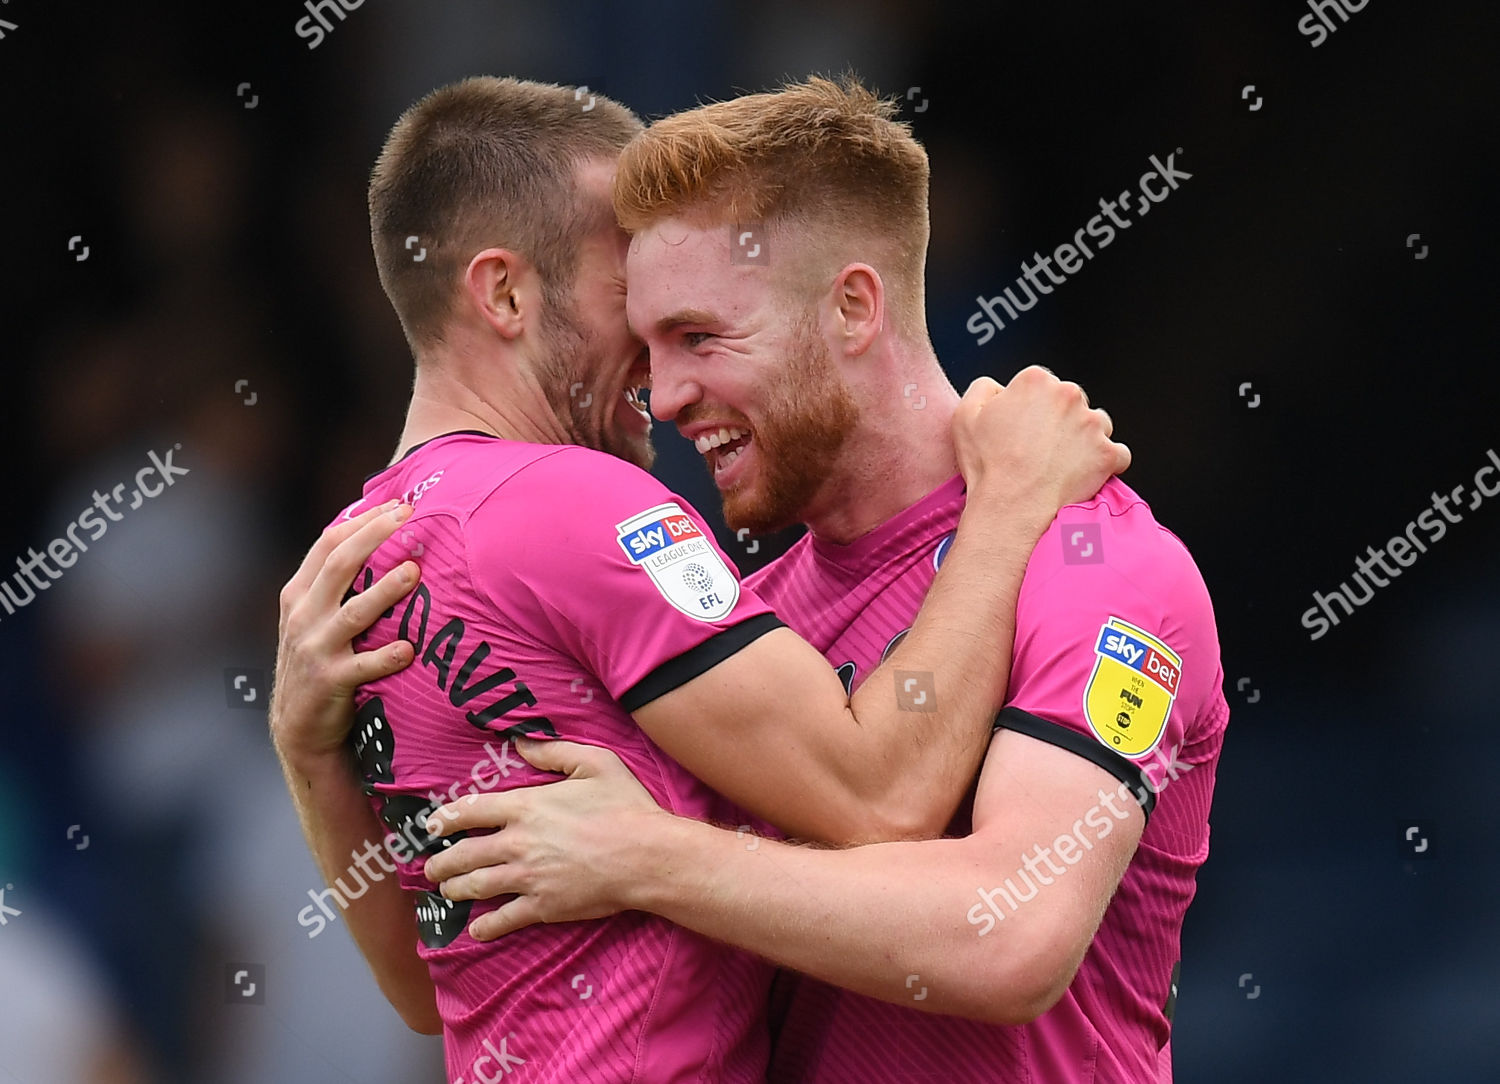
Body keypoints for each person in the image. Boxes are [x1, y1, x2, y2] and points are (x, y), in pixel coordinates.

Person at [269, 76, 1128, 1083]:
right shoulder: (575, 504)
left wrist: (306, 754)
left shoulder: (360, 554)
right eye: (619, 279)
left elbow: (427, 988)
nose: (650, 337)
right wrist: (1013, 504)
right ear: (504, 293)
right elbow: (878, 793)